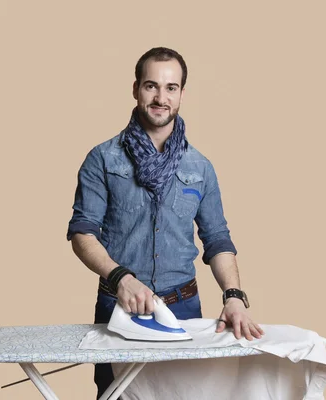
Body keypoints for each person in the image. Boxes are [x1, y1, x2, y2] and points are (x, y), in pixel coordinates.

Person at [66, 47, 264, 398]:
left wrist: (233, 296)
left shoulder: (200, 167)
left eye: (171, 88)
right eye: (151, 86)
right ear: (135, 89)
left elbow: (217, 239)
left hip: (184, 309)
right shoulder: (102, 159)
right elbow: (82, 233)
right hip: (119, 305)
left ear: (182, 94)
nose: (160, 97)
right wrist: (121, 278)